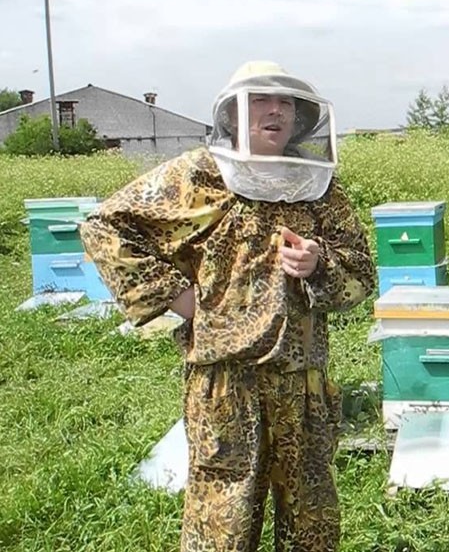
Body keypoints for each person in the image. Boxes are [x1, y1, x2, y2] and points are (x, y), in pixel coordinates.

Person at [80, 61, 376, 552]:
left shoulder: (318, 186)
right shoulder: (199, 174)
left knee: (311, 522)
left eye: (286, 103)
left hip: (301, 383)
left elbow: (361, 274)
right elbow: (105, 227)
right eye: (261, 99)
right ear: (234, 113)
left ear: (302, 118)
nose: (276, 110)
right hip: (224, 383)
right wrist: (177, 296)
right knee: (222, 524)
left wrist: (319, 263)